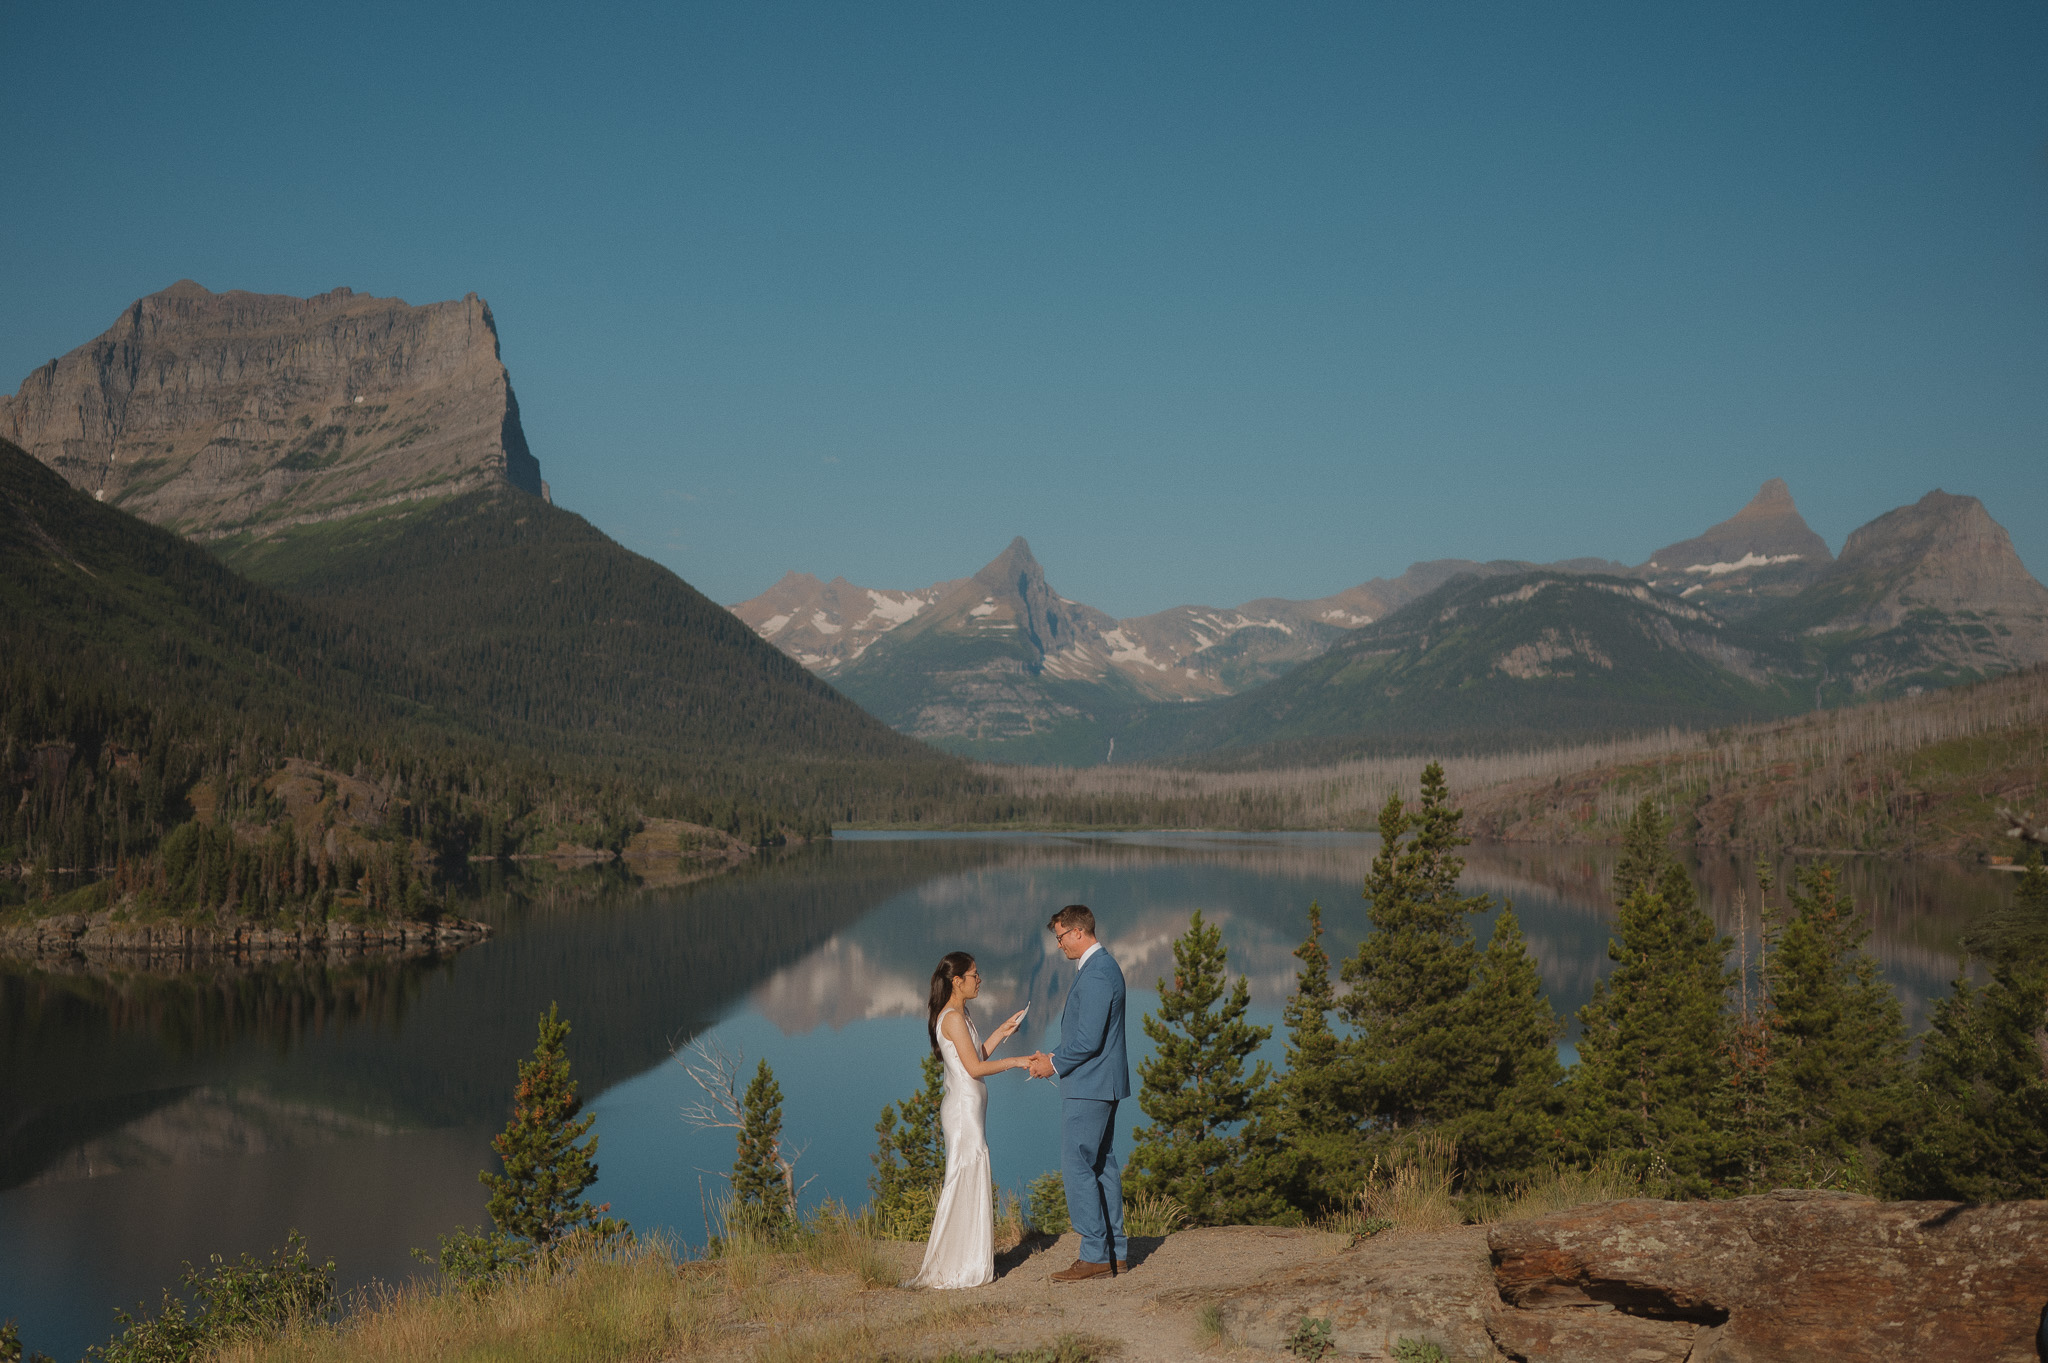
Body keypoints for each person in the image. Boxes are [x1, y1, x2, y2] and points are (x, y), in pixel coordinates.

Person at [904, 951, 1035, 1289]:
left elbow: (974, 1057)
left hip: (969, 1108)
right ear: (957, 981)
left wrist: (1002, 1031)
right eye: (975, 975)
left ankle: (968, 1257)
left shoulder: (960, 1015)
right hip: (963, 1111)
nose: (980, 980)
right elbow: (974, 1069)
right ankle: (958, 1262)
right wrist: (1016, 1061)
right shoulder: (952, 1018)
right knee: (964, 1174)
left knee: (970, 1174)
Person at [1027, 904, 1131, 1282]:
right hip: (1099, 1081)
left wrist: (1052, 1065)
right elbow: (1087, 1037)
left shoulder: (1098, 972)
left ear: (1077, 932)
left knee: (1077, 1165)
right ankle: (1113, 1252)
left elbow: (1088, 1040)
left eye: (1059, 937)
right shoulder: (1100, 968)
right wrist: (1053, 1054)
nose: (1058, 945)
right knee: (1101, 1164)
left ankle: (1095, 1255)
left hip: (1090, 1085)